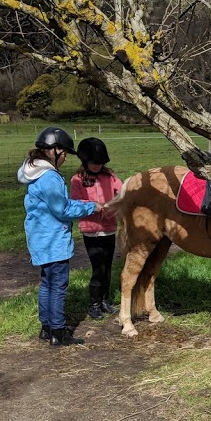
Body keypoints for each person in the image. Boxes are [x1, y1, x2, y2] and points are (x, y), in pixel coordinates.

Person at [17, 127, 100, 346]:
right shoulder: (50, 177)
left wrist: (86, 204)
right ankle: (58, 331)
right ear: (54, 151)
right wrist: (92, 208)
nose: (64, 159)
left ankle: (46, 327)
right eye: (64, 154)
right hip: (53, 240)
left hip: (40, 238)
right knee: (58, 286)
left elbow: (60, 204)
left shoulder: (35, 173)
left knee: (47, 284)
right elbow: (62, 210)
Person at [70, 137, 124, 320]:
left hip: (109, 228)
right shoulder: (77, 180)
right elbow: (77, 201)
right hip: (91, 230)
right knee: (97, 266)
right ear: (85, 161)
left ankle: (104, 301)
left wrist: (115, 204)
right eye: (94, 162)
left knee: (107, 266)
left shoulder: (110, 177)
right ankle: (93, 303)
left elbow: (122, 192)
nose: (97, 166)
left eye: (100, 163)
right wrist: (95, 205)